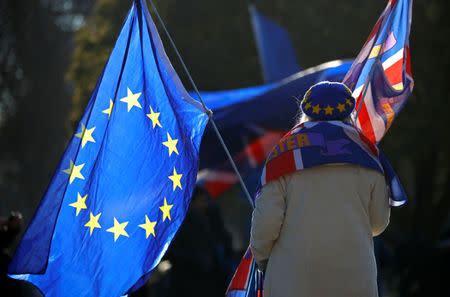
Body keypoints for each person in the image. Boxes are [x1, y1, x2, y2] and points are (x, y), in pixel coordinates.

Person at [250, 81, 391, 297]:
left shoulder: (283, 155)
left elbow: (266, 222)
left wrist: (261, 257)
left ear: (306, 111)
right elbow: (378, 223)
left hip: (292, 280)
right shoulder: (369, 155)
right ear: (349, 111)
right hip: (355, 280)